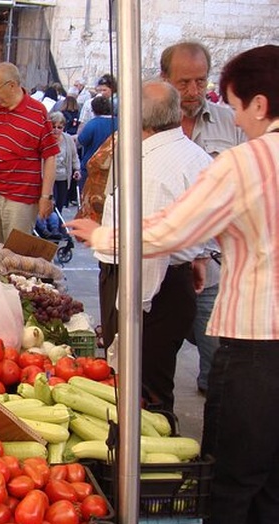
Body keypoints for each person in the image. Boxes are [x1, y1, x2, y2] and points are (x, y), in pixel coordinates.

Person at [67, 45, 279, 524]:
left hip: (257, 342)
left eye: (236, 105)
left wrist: (103, 234)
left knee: (236, 474)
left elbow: (172, 229)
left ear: (260, 105)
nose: (233, 118)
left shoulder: (248, 161)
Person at [93, 80, 214, 413]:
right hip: (172, 281)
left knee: (143, 388)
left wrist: (130, 318)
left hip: (146, 292)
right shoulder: (193, 155)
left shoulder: (153, 169)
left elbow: (147, 249)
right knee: (157, 380)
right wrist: (198, 256)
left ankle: (149, 459)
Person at [159, 41, 246, 394]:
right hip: (161, 264)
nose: (194, 91)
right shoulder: (148, 121)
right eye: (184, 83)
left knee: (218, 360)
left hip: (212, 263)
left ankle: (214, 438)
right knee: (156, 361)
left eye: (200, 81)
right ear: (165, 78)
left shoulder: (232, 124)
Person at [0, 62, 59, 244]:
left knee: (15, 252)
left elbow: (50, 157)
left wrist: (46, 197)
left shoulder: (37, 112)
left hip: (20, 197)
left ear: (12, 86)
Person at [76, 96, 117, 193]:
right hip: (113, 165)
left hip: (92, 166)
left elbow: (81, 141)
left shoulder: (92, 124)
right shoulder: (119, 122)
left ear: (93, 109)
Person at [48, 112, 80, 209]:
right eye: (53, 127)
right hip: (49, 178)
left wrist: (77, 169)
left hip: (63, 178)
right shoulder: (45, 139)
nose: (56, 130)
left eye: (59, 127)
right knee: (50, 205)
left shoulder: (68, 139)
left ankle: (58, 222)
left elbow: (74, 156)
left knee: (60, 205)